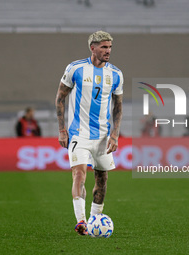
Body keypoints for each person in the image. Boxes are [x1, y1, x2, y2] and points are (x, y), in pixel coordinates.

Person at [55, 31, 123, 235]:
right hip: (79, 133)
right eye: (103, 47)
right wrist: (61, 129)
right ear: (92, 48)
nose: (108, 51)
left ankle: (96, 219)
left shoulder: (116, 74)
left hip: (103, 135)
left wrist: (115, 134)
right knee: (79, 174)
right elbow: (60, 98)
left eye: (110, 47)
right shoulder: (75, 68)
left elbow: (118, 106)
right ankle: (81, 221)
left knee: (102, 179)